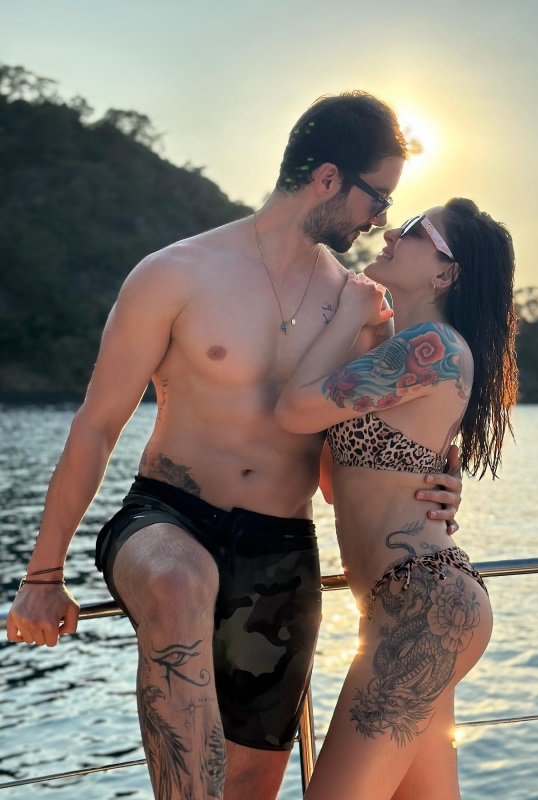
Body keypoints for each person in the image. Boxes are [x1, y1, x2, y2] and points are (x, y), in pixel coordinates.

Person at [5, 92, 464, 800]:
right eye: (379, 198)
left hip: (281, 549)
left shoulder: (360, 306)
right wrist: (43, 572)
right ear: (328, 178)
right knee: (177, 582)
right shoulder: (175, 274)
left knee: (250, 786)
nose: (380, 221)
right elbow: (97, 424)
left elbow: (347, 467)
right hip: (168, 515)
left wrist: (431, 482)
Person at [275, 198, 517, 799]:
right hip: (411, 604)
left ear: (445, 273)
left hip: (422, 608)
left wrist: (350, 310)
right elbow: (334, 482)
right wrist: (365, 328)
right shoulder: (400, 348)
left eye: (413, 230)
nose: (389, 233)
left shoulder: (433, 347)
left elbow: (294, 409)